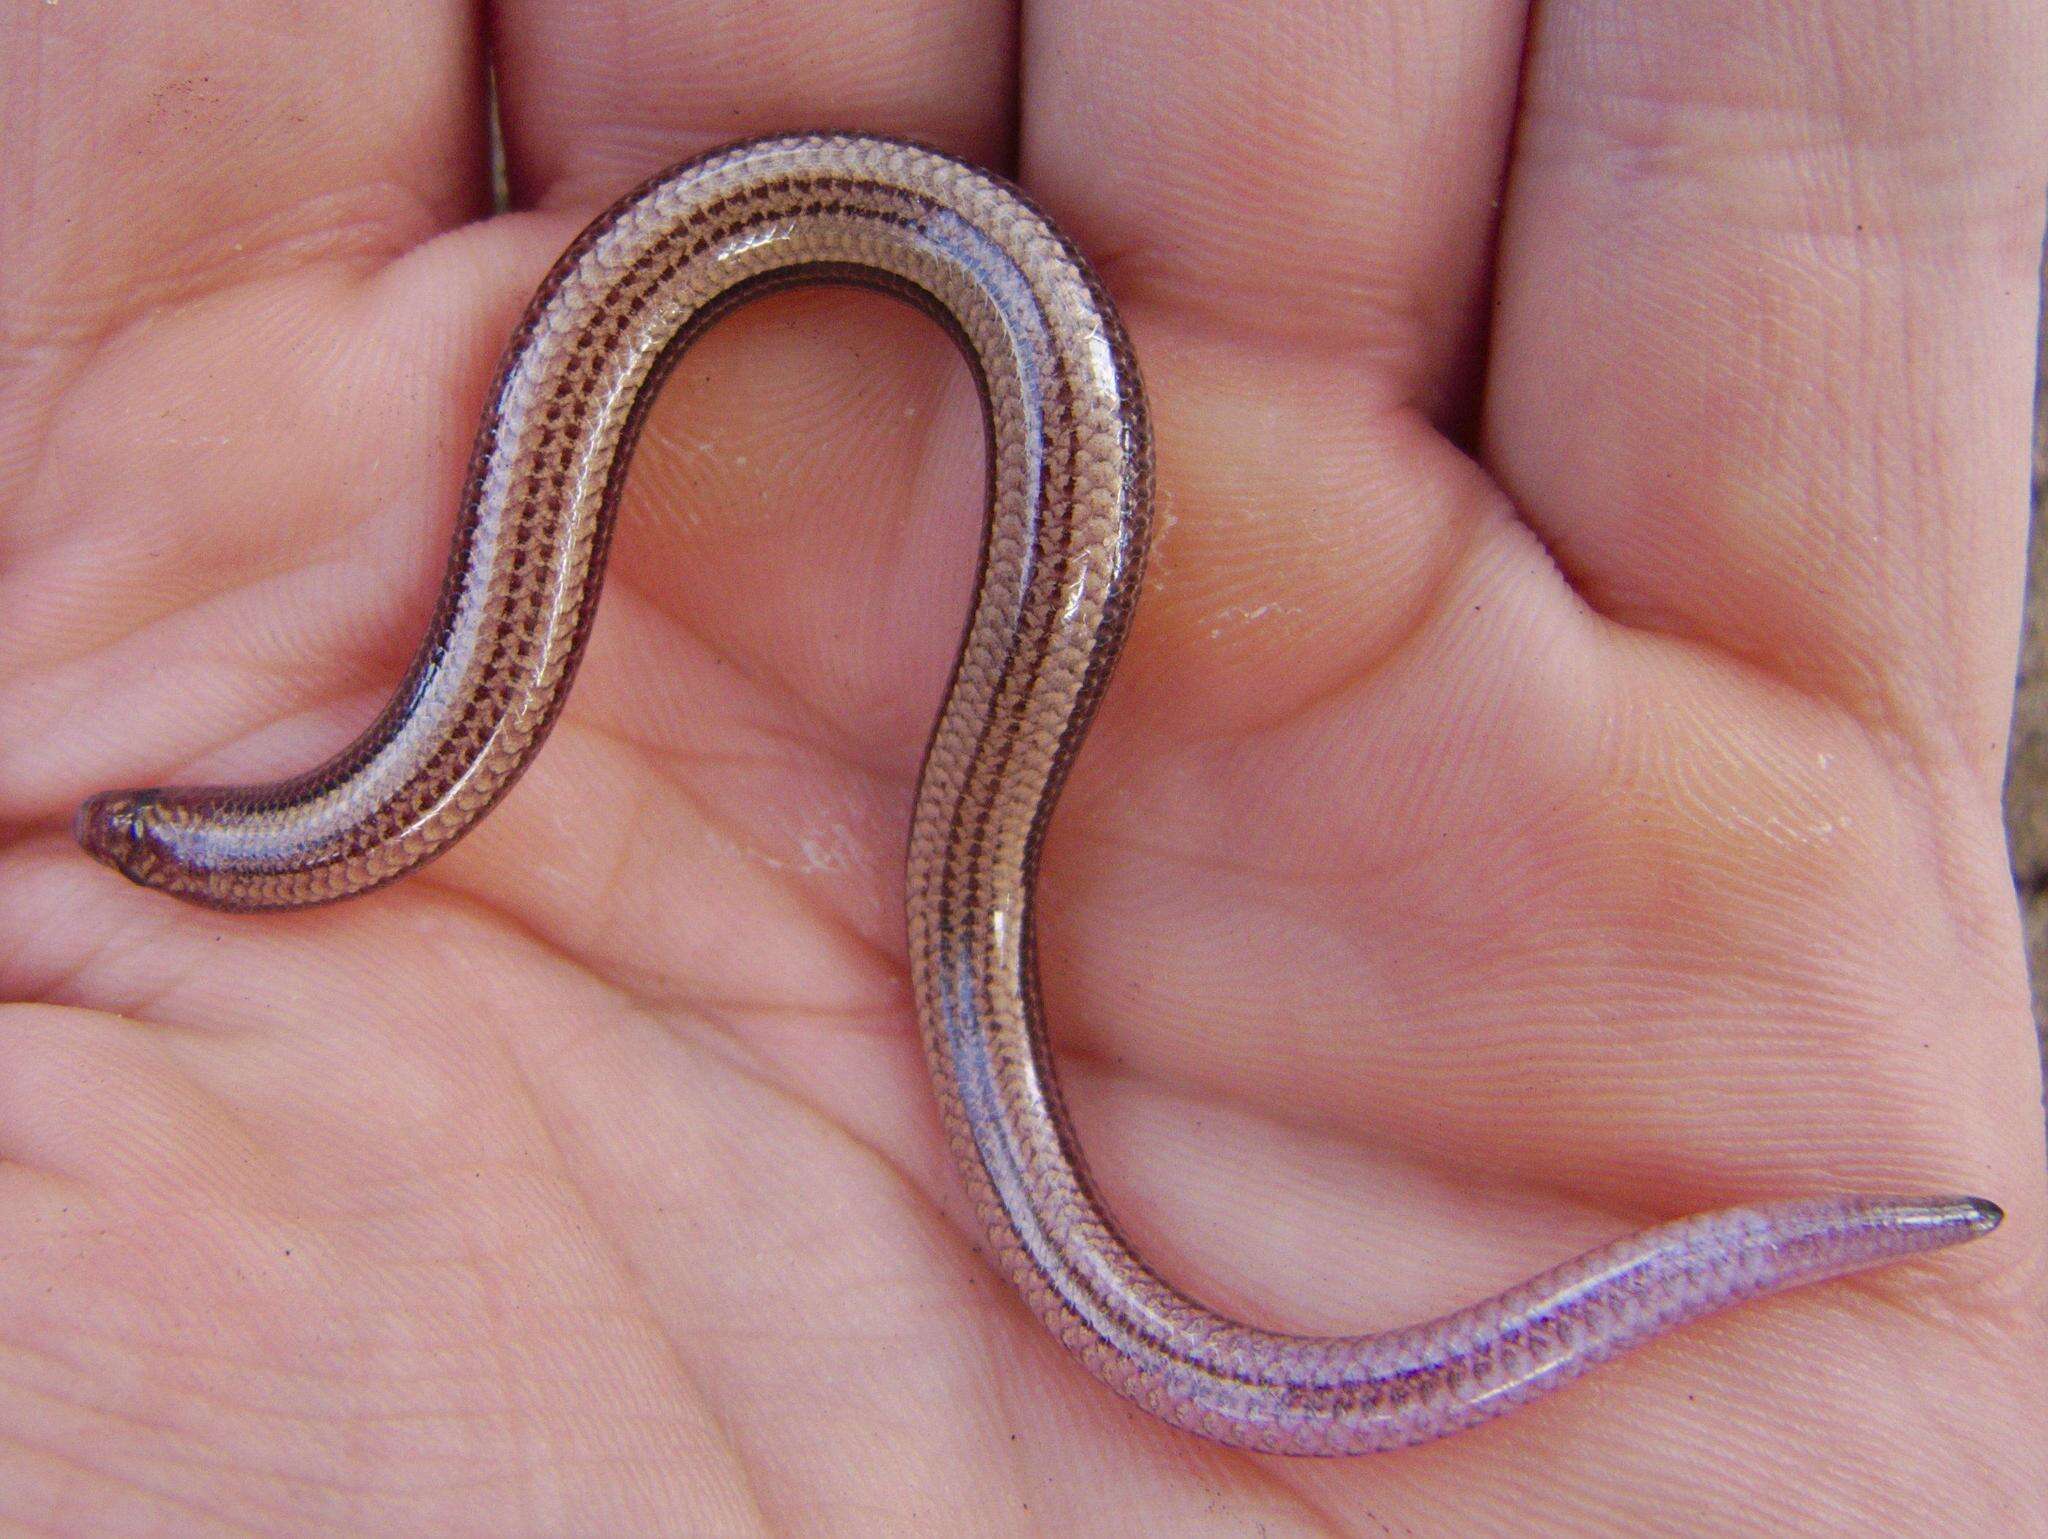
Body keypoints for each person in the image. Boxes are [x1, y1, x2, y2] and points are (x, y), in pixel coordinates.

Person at [1, 1, 2041, 1532]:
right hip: (948, 283)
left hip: (981, 286)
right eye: (165, 836)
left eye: (162, 831)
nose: (140, 831)